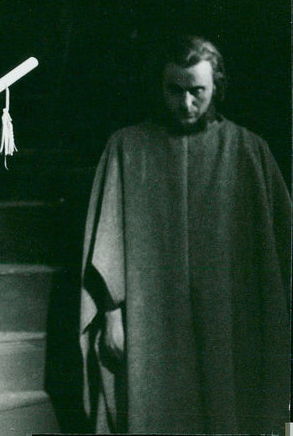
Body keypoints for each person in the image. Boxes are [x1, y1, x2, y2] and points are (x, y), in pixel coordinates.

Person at [79, 35, 291, 433]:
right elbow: (105, 246)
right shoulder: (127, 148)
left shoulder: (249, 152)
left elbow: (280, 254)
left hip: (228, 326)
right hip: (149, 325)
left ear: (218, 87)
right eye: (174, 91)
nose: (187, 104)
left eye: (198, 91)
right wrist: (111, 316)